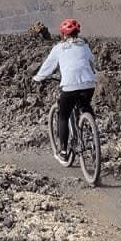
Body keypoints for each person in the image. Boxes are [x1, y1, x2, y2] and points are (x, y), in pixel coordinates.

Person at [33, 18, 97, 161]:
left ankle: (63, 151)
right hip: (89, 84)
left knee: (63, 114)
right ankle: (92, 134)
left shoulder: (59, 48)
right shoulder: (85, 46)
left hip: (69, 86)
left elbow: (47, 67)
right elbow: (92, 64)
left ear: (63, 34)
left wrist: (38, 78)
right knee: (85, 106)